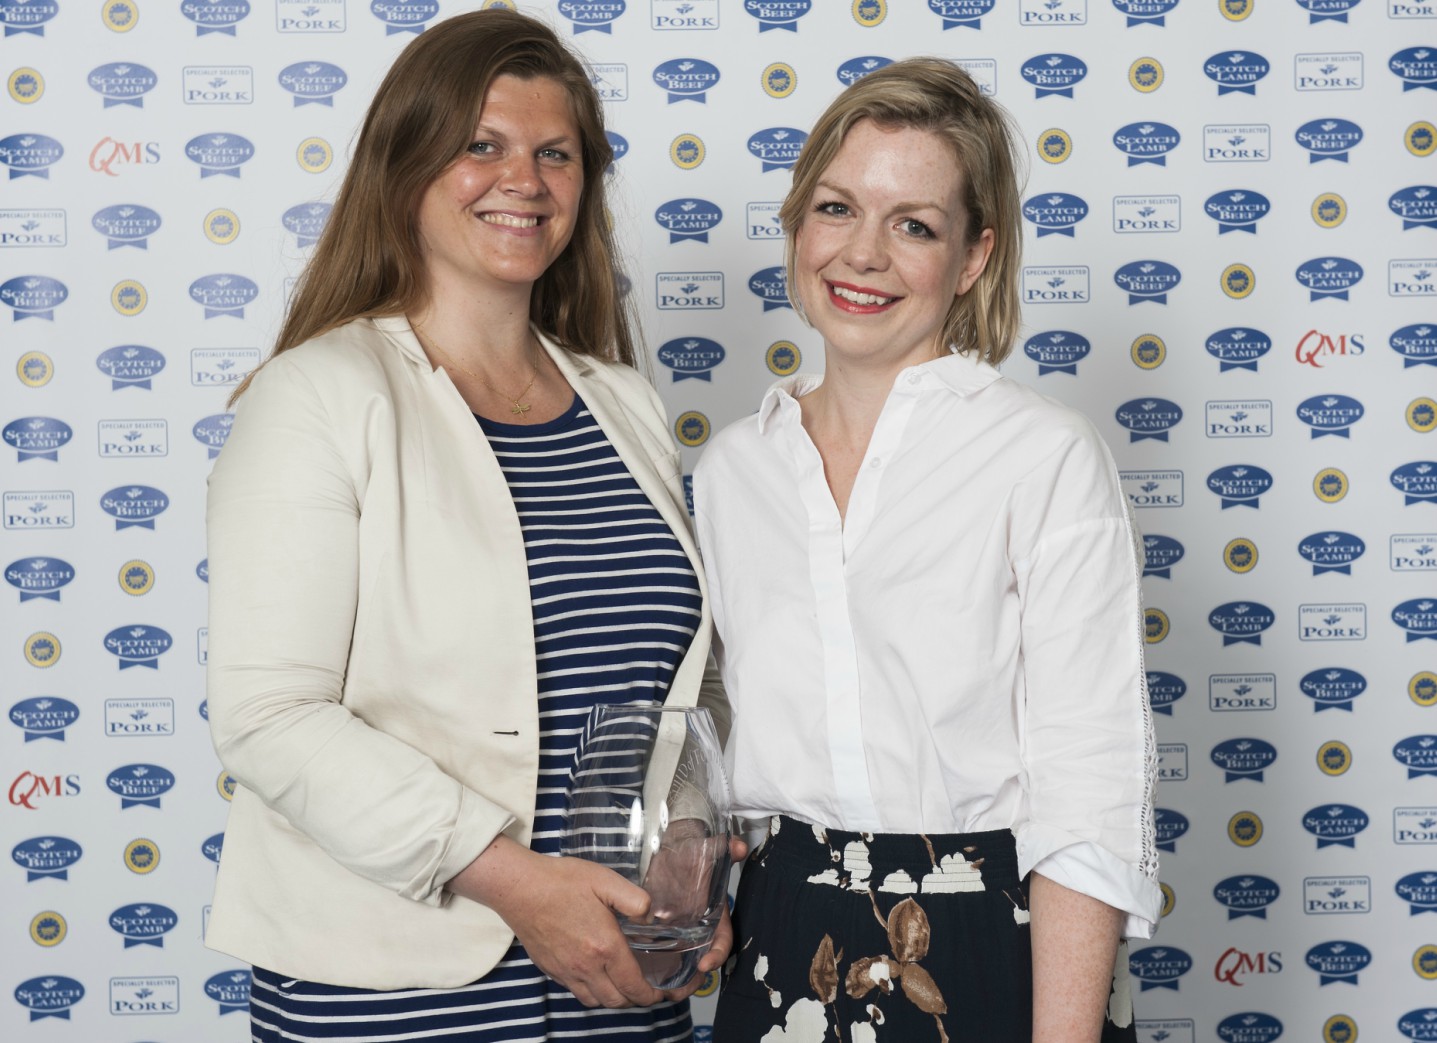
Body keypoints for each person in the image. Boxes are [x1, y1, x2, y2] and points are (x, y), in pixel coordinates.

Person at [204, 10, 729, 1042]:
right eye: (480, 145)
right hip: (392, 988)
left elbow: (680, 680)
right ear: (403, 165)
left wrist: (691, 849)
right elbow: (271, 714)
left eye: (555, 153)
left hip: (615, 979)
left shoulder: (623, 403)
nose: (522, 180)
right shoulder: (317, 394)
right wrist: (517, 882)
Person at [692, 59, 1159, 1043]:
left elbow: (1090, 791)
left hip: (993, 935)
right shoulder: (732, 471)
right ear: (796, 222)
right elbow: (712, 742)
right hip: (779, 933)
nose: (863, 253)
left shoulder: (1045, 457)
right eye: (836, 208)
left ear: (974, 255)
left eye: (913, 224)